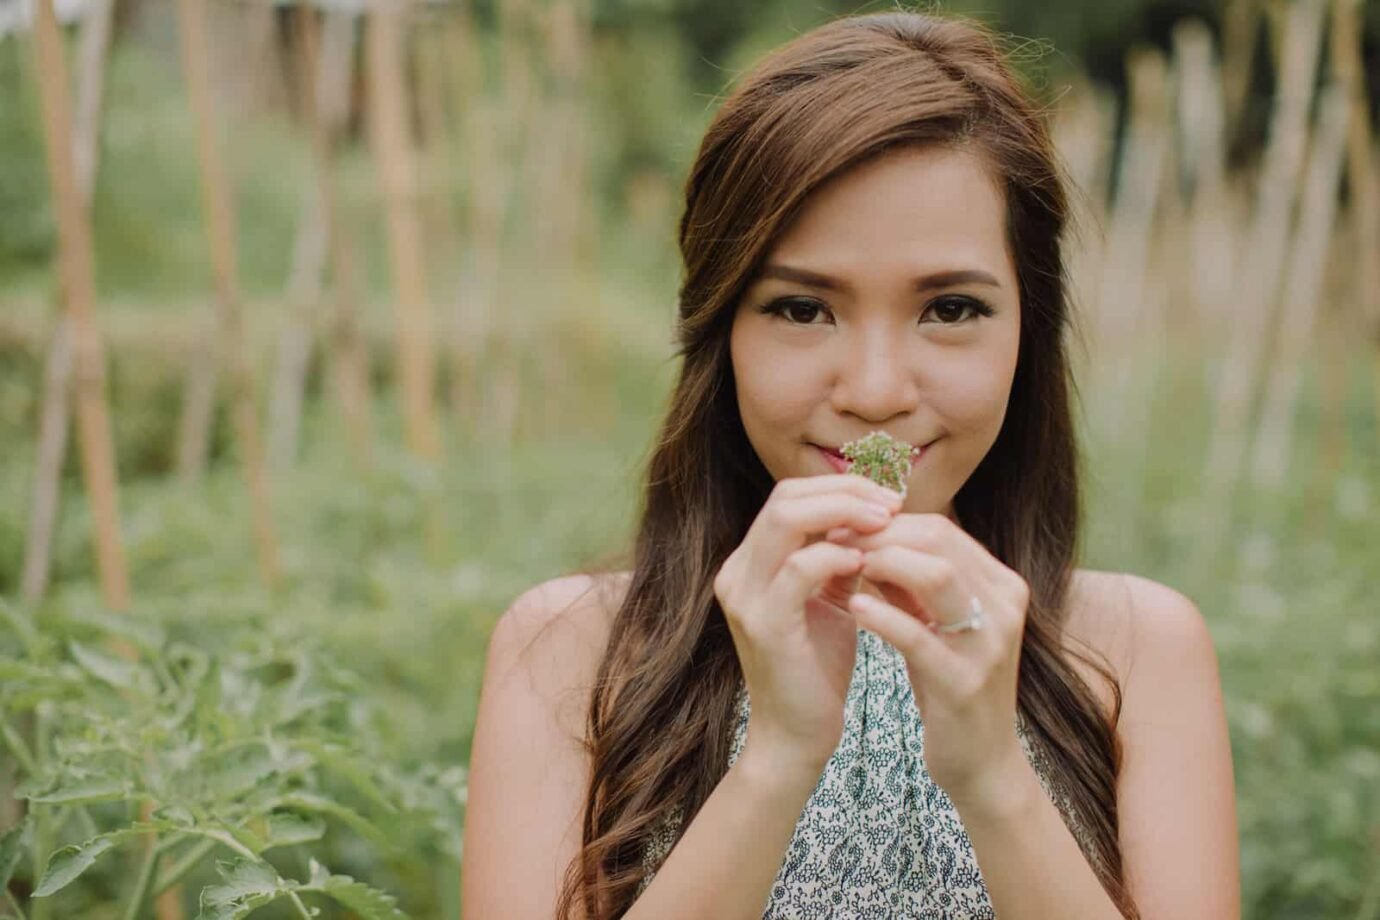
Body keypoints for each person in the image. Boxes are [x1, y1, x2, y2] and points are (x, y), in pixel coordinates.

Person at [461, 9, 1239, 920]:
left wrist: (993, 778)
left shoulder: (1134, 651)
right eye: (801, 309)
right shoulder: (571, 653)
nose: (874, 391)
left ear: (1031, 328)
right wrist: (780, 757)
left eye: (949, 309)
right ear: (719, 330)